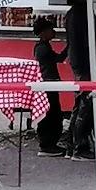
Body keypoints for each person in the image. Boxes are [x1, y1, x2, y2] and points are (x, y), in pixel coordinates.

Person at [63, 0, 95, 160]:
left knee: (80, 104)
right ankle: (79, 147)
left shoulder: (72, 13)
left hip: (77, 62)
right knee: (86, 103)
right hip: (84, 62)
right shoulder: (83, 12)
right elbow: (85, 40)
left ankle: (71, 145)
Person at [32, 16, 68, 156]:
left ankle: (49, 143)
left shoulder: (42, 46)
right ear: (43, 32)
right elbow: (58, 59)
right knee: (52, 115)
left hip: (48, 83)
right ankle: (47, 145)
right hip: (47, 84)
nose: (53, 32)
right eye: (50, 29)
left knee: (52, 114)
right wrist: (69, 46)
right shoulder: (42, 48)